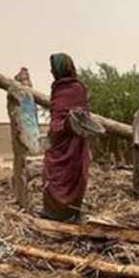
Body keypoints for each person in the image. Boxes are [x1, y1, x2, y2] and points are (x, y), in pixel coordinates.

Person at [40, 53, 91, 222]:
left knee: (73, 174)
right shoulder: (57, 88)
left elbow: (83, 116)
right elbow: (56, 115)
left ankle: (71, 212)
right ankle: (52, 212)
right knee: (52, 172)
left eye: (54, 69)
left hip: (73, 141)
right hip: (57, 141)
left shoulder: (78, 88)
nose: (52, 72)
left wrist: (70, 122)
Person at [7, 67, 35, 210]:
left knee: (26, 171)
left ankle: (24, 202)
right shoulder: (16, 92)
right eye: (23, 80)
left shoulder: (28, 95)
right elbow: (16, 115)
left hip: (28, 137)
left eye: (27, 80)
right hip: (21, 139)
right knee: (21, 168)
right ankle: (21, 200)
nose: (27, 83)